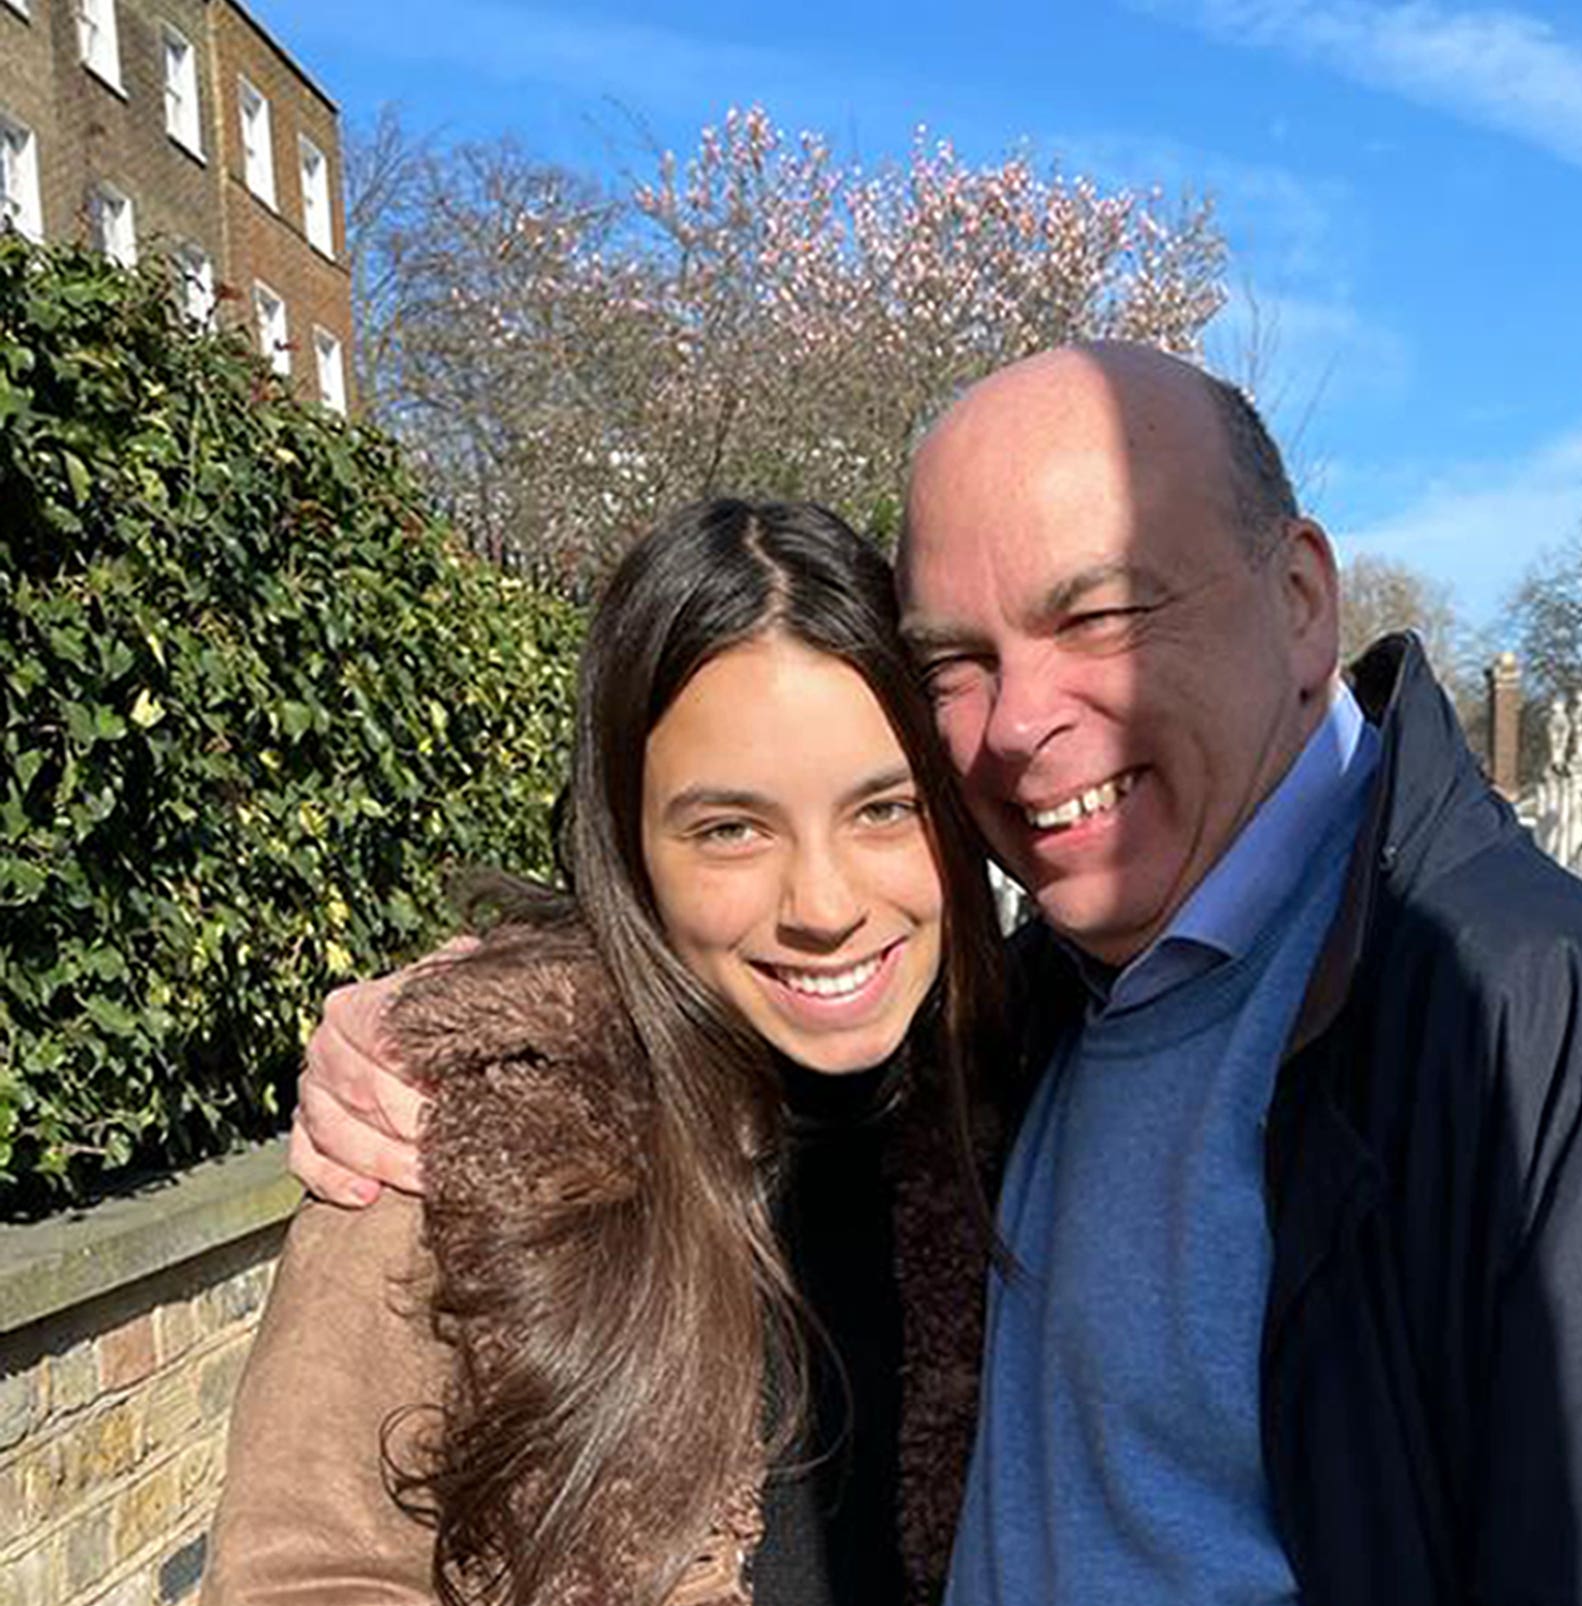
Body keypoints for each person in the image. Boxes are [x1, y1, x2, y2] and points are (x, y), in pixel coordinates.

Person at [296, 344, 1582, 1605]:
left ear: (1300, 599)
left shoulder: (1560, 1066)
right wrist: (461, 1034)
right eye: (960, 660)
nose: (1021, 726)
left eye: (1101, 618)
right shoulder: (1065, 1005)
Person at [209, 500, 1004, 1606]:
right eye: (730, 827)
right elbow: (304, 1574)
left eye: (885, 808)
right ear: (629, 845)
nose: (823, 904)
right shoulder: (451, 1141)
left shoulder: (1032, 1098)